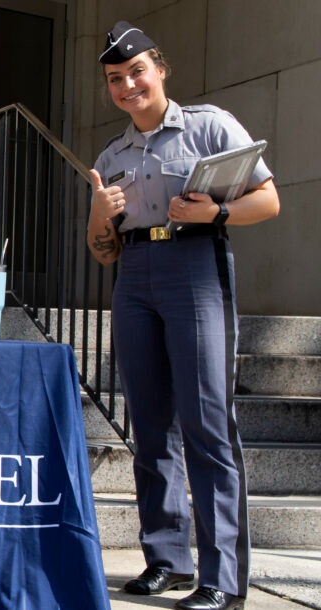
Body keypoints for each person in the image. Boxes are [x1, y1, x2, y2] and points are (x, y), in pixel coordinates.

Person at [87, 22, 279, 610]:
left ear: (160, 69)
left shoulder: (209, 125)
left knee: (206, 423)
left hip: (195, 266)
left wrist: (216, 210)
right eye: (115, 79)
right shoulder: (111, 154)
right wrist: (99, 214)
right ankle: (165, 560)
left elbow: (269, 201)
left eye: (136, 71)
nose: (127, 86)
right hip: (135, 274)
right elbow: (102, 248)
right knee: (149, 427)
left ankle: (222, 578)